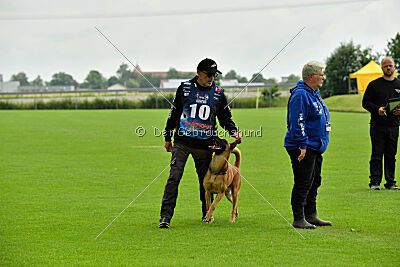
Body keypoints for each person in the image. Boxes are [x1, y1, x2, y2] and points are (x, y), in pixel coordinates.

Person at [158, 58, 242, 228]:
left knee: (205, 182)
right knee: (174, 177)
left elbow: (225, 118)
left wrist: (234, 131)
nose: (211, 78)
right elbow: (174, 113)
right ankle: (165, 217)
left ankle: (206, 214)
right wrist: (168, 137)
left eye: (214, 75)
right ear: (198, 73)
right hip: (182, 142)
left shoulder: (218, 93)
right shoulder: (185, 88)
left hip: (205, 145)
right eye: (208, 74)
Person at [284, 61, 332, 229]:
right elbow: (297, 122)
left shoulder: (314, 93)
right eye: (321, 74)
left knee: (315, 180)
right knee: (303, 181)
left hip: (315, 146)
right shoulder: (300, 95)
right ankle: (298, 218)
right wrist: (302, 144)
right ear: (311, 76)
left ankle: (311, 215)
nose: (323, 78)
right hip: (303, 146)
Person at [362, 57, 400, 190]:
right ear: (381, 68)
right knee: (377, 155)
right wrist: (376, 110)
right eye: (385, 66)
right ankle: (374, 182)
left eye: (390, 65)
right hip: (377, 125)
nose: (388, 68)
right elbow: (365, 102)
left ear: (394, 67)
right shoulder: (374, 85)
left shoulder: (399, 84)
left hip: (394, 125)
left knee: (391, 155)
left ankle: (391, 183)